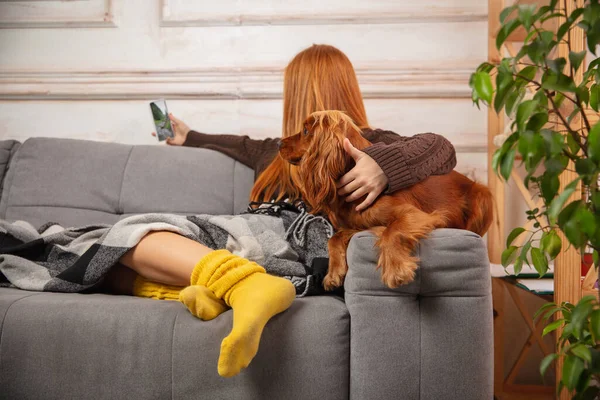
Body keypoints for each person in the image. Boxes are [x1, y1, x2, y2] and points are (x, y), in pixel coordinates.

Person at [113, 44, 456, 377]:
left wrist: (382, 166)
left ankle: (245, 286)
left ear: (293, 94)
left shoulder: (365, 143)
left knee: (126, 238)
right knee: (114, 267)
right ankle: (230, 288)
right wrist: (189, 136)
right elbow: (227, 142)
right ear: (349, 86)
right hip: (248, 236)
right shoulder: (274, 150)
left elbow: (441, 149)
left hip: (273, 238)